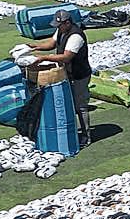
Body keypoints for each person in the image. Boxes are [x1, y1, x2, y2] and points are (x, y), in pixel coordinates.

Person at [30, 8, 92, 141]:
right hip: (67, 74)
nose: (58, 28)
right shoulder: (61, 30)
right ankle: (73, 132)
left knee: (80, 106)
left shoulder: (76, 36)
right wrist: (35, 47)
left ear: (67, 23)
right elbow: (52, 43)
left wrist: (44, 58)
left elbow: (66, 57)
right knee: (68, 103)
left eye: (60, 25)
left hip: (79, 75)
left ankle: (87, 136)